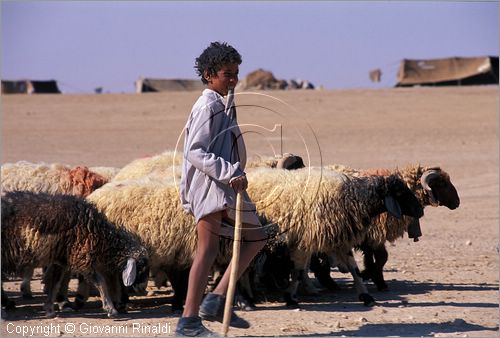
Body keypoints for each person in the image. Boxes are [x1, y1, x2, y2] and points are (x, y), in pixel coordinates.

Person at [175, 41, 267, 337]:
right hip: (210, 185)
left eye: (236, 73)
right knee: (207, 250)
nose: (234, 79)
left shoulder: (222, 102)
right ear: (208, 74)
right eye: (228, 74)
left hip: (227, 185)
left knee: (257, 238)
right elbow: (194, 151)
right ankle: (188, 321)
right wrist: (228, 173)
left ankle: (215, 300)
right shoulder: (207, 105)